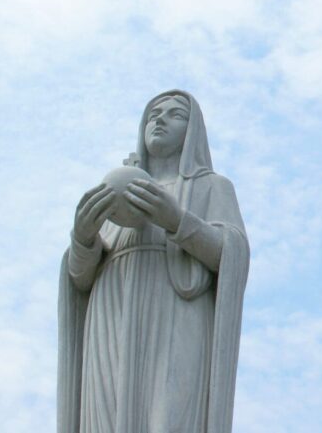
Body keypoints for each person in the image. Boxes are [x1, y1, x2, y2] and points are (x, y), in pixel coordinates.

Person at [58, 90, 250, 433]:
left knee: (170, 415)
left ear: (193, 132)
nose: (159, 119)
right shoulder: (114, 193)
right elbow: (80, 278)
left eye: (174, 114)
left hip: (175, 315)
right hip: (110, 316)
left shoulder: (211, 187)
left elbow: (230, 254)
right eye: (152, 114)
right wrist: (83, 237)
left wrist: (176, 219)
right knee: (105, 416)